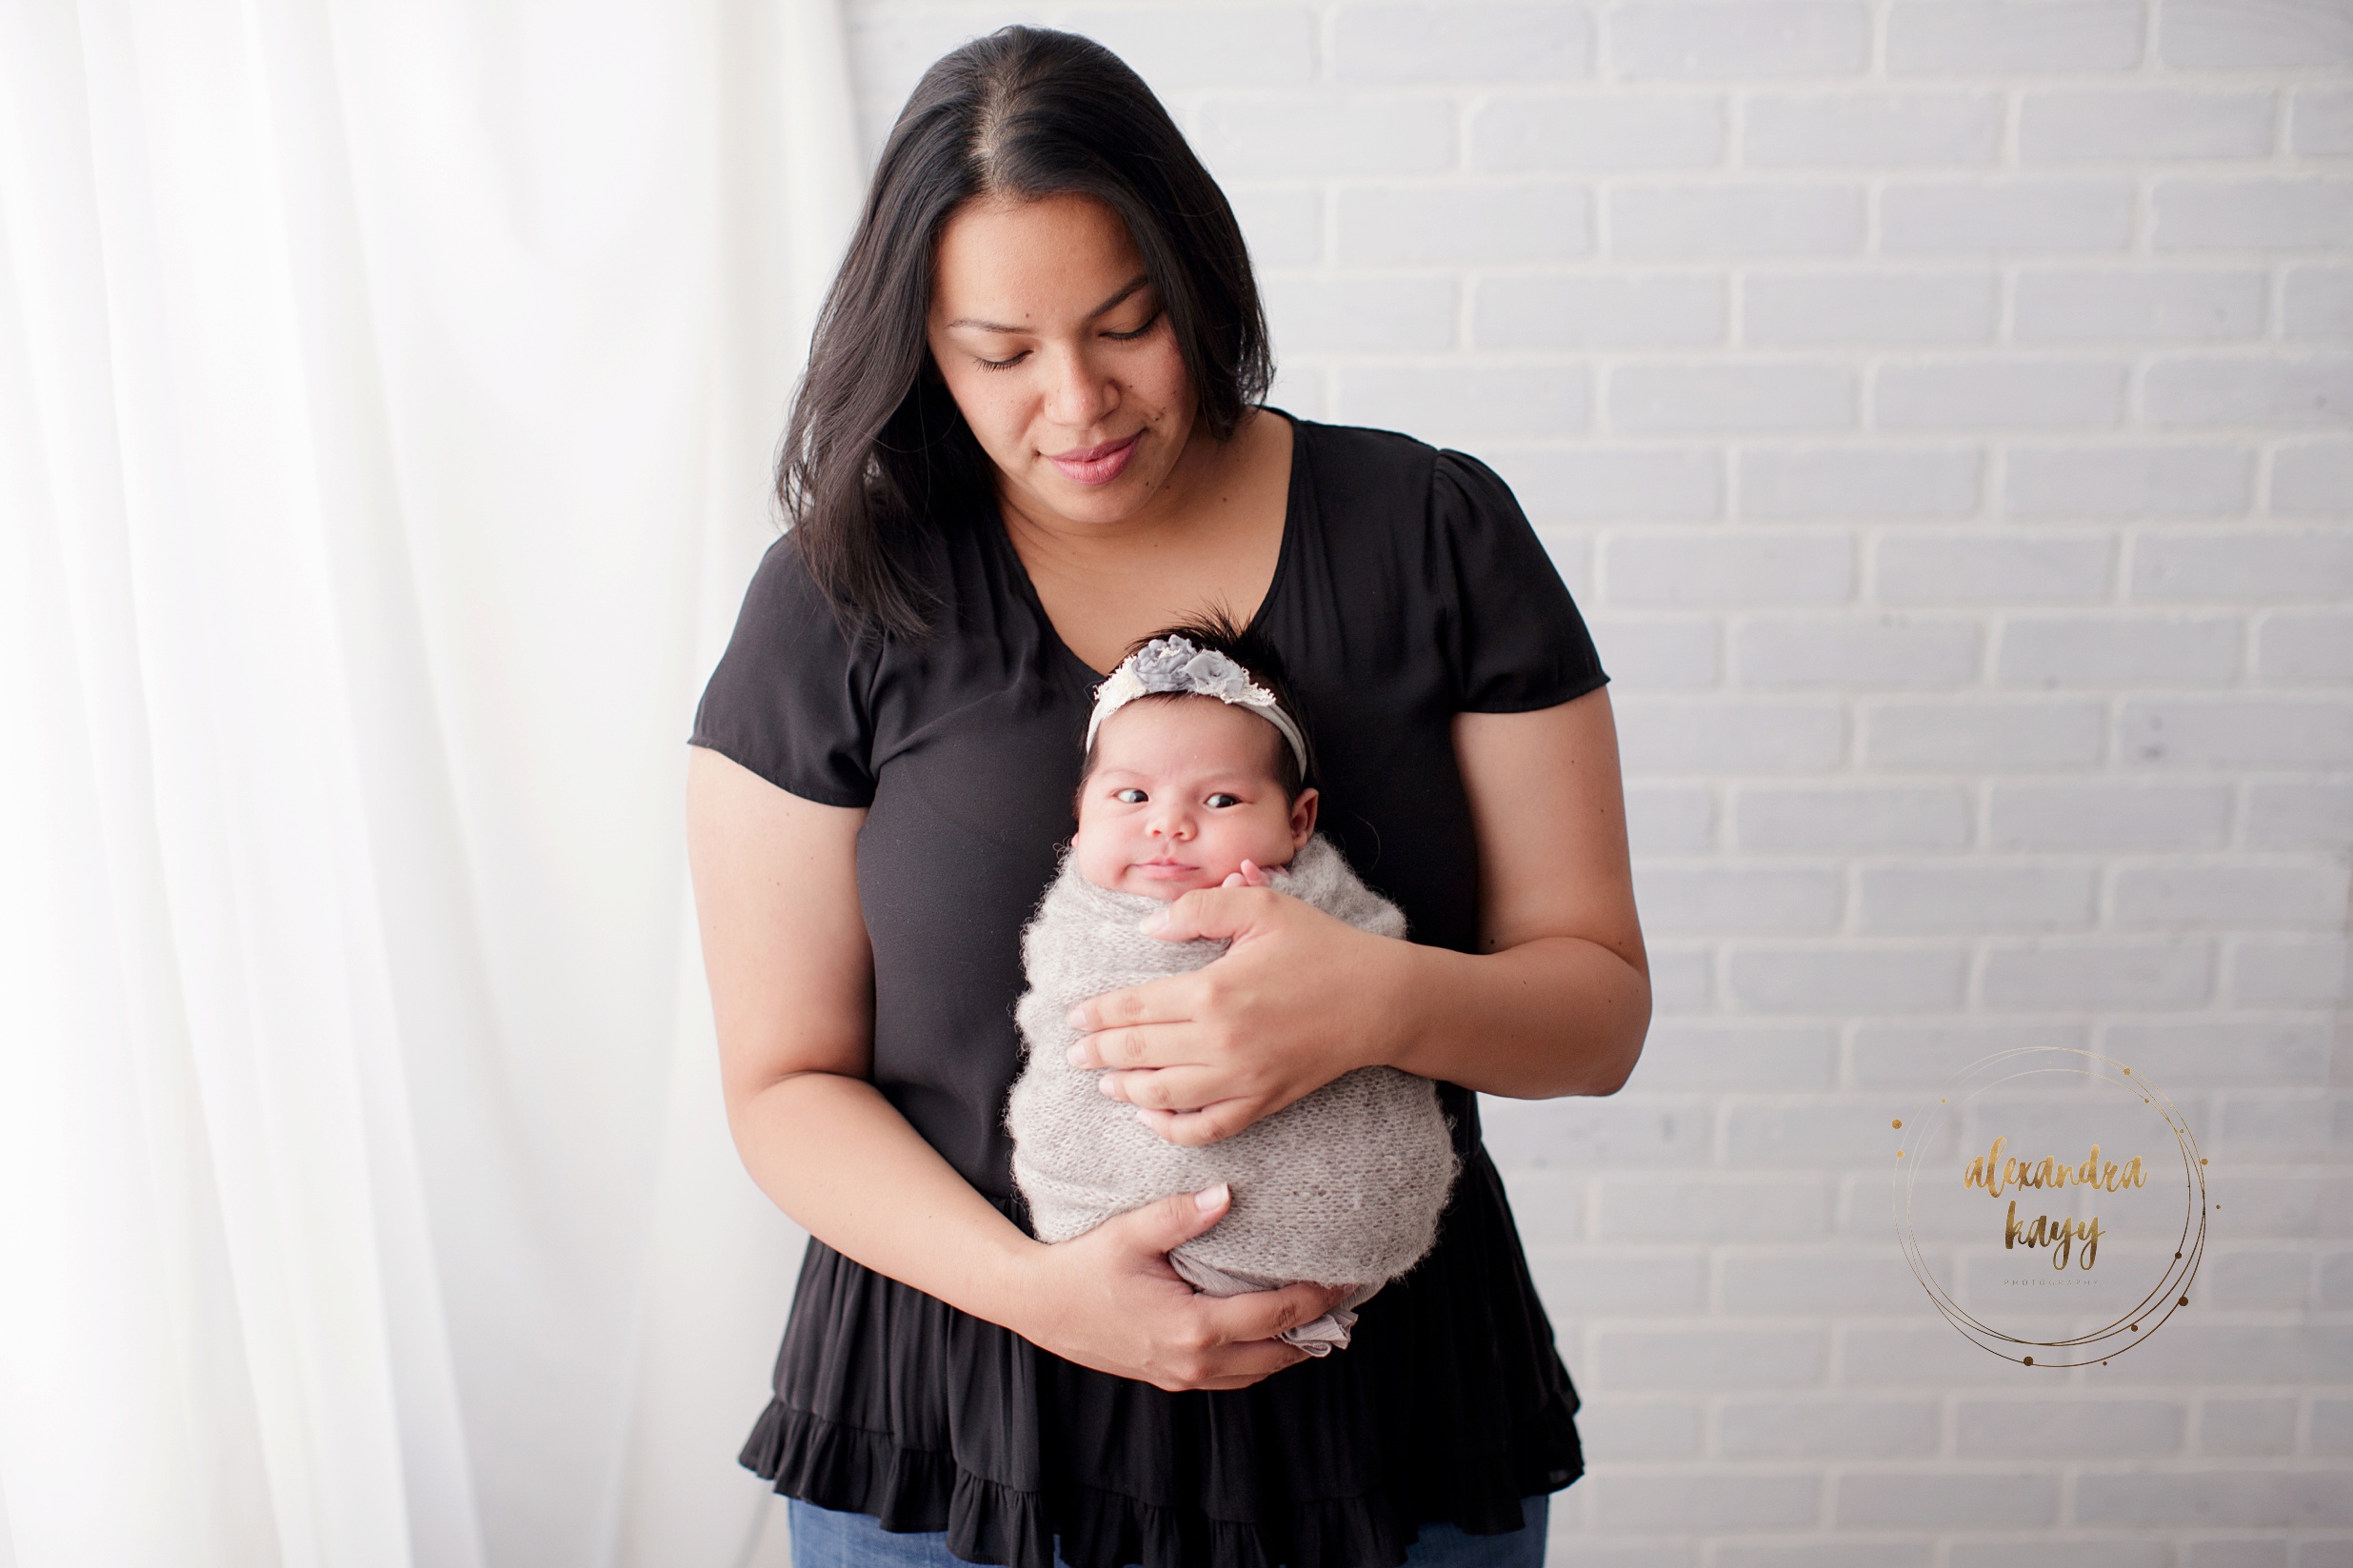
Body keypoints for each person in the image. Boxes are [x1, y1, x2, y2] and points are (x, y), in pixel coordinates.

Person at [685, 25, 1649, 1568]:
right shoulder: (837, 603)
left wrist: (1377, 1000)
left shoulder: (1433, 535)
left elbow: (1596, 1012)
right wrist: (1044, 1297)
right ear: (920, 345)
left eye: (1126, 326)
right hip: (955, 1428)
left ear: (1197, 283)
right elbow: (782, 1082)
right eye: (999, 354)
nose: (1077, 403)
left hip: (1386, 1425)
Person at [1007, 623, 1458, 1359]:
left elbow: (1376, 970)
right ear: (1080, 811)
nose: (1168, 824)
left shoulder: (1320, 904)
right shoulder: (1077, 914)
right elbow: (1058, 1021)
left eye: (1219, 801)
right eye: (1130, 794)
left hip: (1332, 1241)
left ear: (1297, 820)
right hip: (1096, 1278)